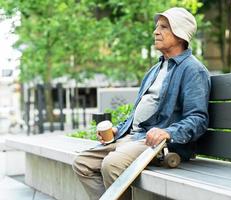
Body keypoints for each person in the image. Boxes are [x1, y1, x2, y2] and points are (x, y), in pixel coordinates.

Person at [72, 7, 211, 200]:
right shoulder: (155, 70)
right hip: (135, 137)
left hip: (162, 144)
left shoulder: (193, 70)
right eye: (157, 27)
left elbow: (198, 119)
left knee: (111, 164)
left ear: (180, 35)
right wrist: (117, 130)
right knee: (82, 163)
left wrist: (168, 132)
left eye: (163, 27)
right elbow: (138, 113)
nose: (156, 31)